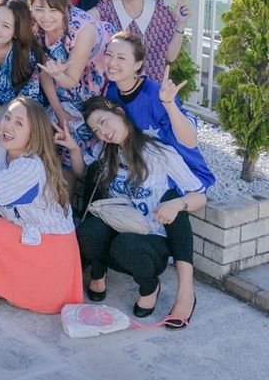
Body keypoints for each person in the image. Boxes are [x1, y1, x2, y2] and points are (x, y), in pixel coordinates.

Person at [101, 30, 214, 326]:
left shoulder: (155, 93)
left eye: (121, 57)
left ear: (138, 64)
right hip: (145, 169)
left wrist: (169, 104)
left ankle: (186, 292)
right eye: (109, 55)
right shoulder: (112, 92)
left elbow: (189, 140)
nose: (112, 62)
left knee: (171, 200)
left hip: (178, 168)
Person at [69, 96, 207, 319]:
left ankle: (149, 287)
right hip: (119, 226)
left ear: (119, 113)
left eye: (104, 122)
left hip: (150, 239)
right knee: (87, 232)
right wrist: (73, 149)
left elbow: (200, 195)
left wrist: (177, 204)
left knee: (125, 245)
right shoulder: (108, 153)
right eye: (96, 130)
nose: (103, 133)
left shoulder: (159, 153)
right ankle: (98, 271)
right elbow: (83, 174)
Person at [0, 99, 84, 314]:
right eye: (7, 118)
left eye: (19, 123)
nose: (8, 126)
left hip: (51, 247)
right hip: (29, 236)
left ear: (33, 134)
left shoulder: (30, 166)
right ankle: (24, 289)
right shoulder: (3, 152)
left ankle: (39, 292)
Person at [32, 0, 112, 154]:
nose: (45, 17)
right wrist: (59, 111)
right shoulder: (35, 25)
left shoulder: (83, 28)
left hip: (96, 72)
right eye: (39, 9)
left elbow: (71, 80)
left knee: (88, 130)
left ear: (66, 7)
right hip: (62, 76)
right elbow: (44, 72)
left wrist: (58, 75)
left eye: (53, 10)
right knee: (57, 123)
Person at [95, 0, 191, 82]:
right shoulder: (107, 7)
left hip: (151, 86)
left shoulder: (161, 10)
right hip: (114, 87)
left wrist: (181, 23)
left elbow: (170, 56)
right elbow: (82, 19)